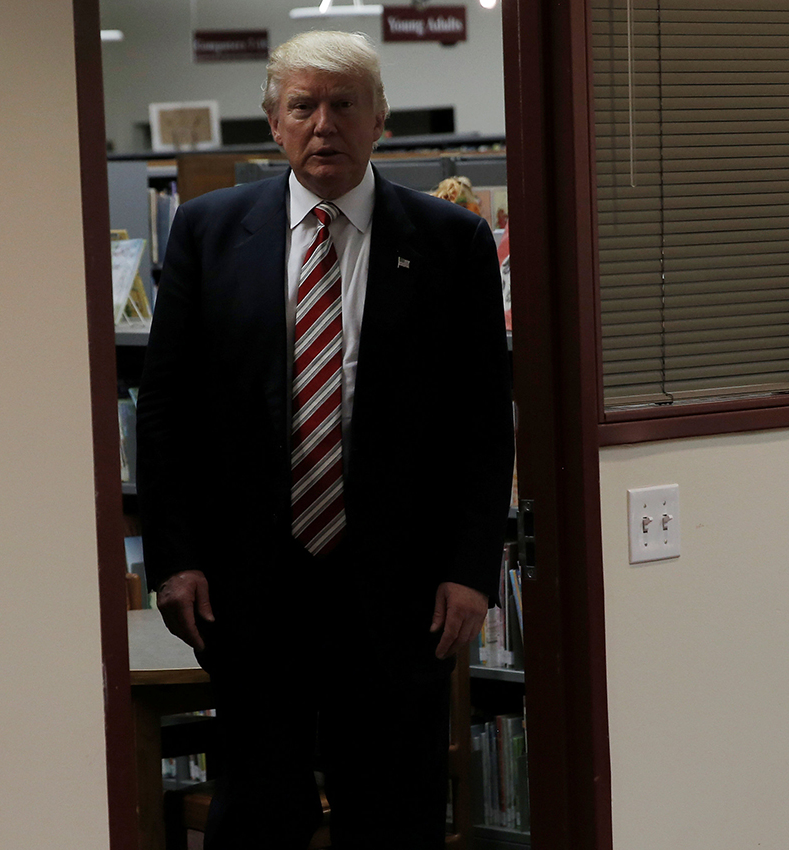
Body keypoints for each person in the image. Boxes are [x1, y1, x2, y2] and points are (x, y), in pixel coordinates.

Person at [135, 30, 513, 849]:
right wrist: (174, 557)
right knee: (258, 813)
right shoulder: (206, 232)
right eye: (303, 106)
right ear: (274, 122)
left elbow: (483, 424)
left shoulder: (451, 243)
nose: (324, 124)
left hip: (401, 593)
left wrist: (471, 570)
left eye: (345, 105)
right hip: (249, 588)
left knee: (393, 814)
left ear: (379, 119)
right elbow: (164, 409)